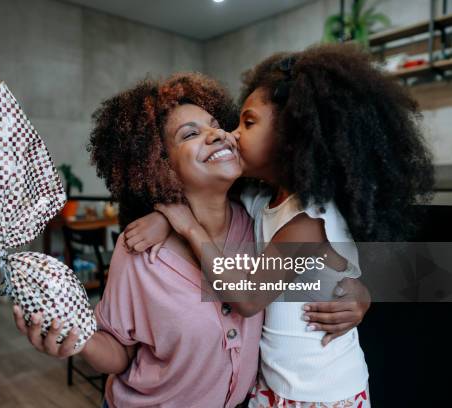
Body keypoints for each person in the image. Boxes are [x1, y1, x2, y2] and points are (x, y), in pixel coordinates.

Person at [14, 72, 371, 408]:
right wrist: (79, 341)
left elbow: (307, 267)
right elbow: (119, 354)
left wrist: (359, 291)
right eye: (189, 134)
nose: (220, 134)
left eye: (217, 125)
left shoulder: (258, 220)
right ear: (159, 165)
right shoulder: (140, 250)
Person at [126, 44, 433, 407]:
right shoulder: (261, 200)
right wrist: (165, 217)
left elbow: (249, 298)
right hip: (274, 383)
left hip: (322, 396)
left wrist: (189, 228)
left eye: (249, 122)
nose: (233, 133)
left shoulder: (309, 222)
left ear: (294, 136)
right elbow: (203, 197)